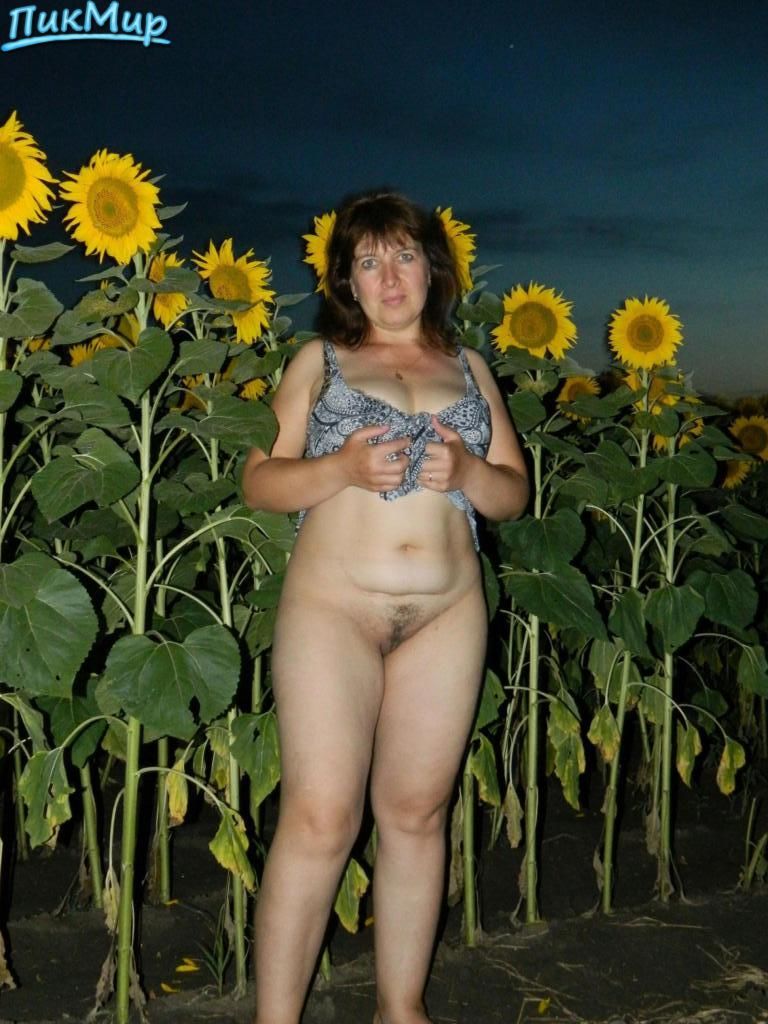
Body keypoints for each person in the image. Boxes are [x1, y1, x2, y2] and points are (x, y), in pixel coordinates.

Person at [242, 190, 529, 1024]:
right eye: (368, 262)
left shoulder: (470, 368)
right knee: (320, 817)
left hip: (447, 615)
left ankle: (401, 1010)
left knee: (416, 814)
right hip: (333, 611)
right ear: (347, 281)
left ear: (432, 269)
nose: (389, 276)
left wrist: (471, 474)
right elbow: (259, 480)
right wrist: (338, 470)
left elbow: (513, 494)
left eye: (403, 255)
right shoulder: (319, 362)